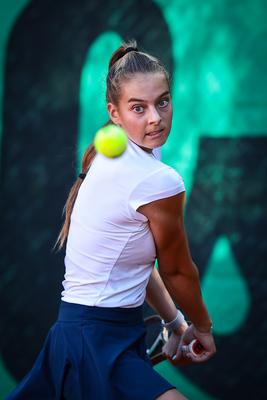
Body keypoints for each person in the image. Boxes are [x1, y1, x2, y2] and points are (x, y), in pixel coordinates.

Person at [7, 40, 216, 400]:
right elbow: (177, 269)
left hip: (86, 333)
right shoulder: (156, 179)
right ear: (114, 113)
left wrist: (174, 323)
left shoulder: (124, 156)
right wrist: (202, 326)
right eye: (139, 107)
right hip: (93, 338)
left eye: (162, 101)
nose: (155, 118)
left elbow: (135, 262)